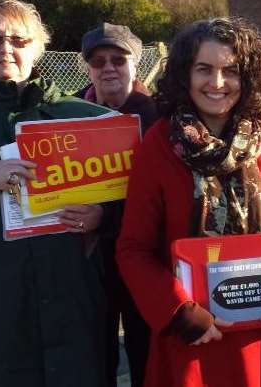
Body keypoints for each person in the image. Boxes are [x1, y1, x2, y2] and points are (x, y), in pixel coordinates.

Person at [116, 17, 261, 387]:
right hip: (198, 337)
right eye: (204, 69)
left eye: (230, 71)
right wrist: (178, 313)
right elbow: (133, 248)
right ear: (186, 74)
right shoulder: (157, 146)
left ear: (249, 77)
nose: (217, 83)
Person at [0, 0, 110, 386]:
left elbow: (132, 202)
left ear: (38, 48)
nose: (6, 49)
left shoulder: (80, 118)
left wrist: (102, 216)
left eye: (19, 40)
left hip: (71, 302)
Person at [79, 22, 156, 387]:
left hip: (145, 252)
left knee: (146, 347)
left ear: (135, 63)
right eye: (98, 61)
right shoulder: (69, 114)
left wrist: (106, 216)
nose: (108, 67)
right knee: (95, 350)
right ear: (87, 67)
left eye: (118, 59)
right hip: (90, 256)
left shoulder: (159, 115)